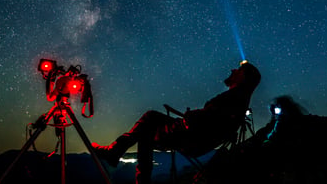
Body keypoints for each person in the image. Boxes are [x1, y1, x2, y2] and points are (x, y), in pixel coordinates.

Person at [91, 61, 261, 184]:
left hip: (191, 137)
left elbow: (208, 121)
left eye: (238, 70)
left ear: (243, 77)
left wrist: (190, 117)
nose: (232, 70)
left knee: (149, 120)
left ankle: (114, 152)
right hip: (196, 138)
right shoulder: (238, 101)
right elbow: (212, 121)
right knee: (147, 130)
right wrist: (194, 117)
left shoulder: (233, 99)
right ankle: (118, 156)